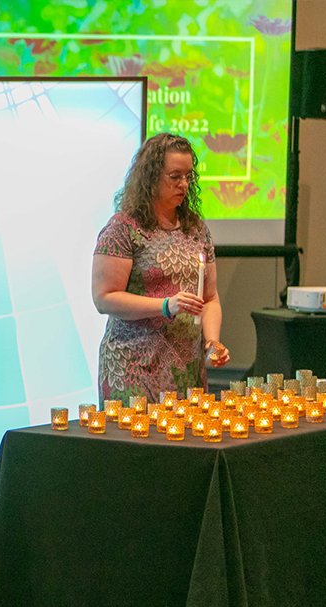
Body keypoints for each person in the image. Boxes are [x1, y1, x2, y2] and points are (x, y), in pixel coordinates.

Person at [92, 132, 231, 405]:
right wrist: (166, 305)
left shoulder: (197, 230)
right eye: (175, 176)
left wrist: (213, 341)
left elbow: (210, 298)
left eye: (189, 176)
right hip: (133, 368)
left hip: (185, 370)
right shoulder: (123, 229)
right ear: (152, 176)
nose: (184, 184)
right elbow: (104, 298)